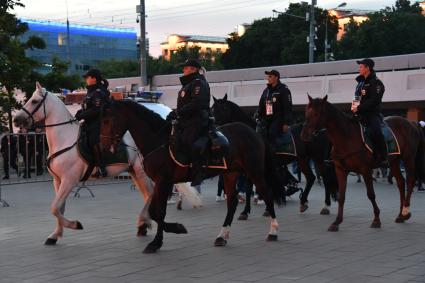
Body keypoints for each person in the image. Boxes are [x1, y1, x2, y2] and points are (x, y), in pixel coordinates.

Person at [167, 59, 211, 187]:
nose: (183, 70)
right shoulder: (188, 84)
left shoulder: (198, 83)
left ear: (194, 69)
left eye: (186, 68)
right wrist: (175, 113)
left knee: (189, 142)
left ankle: (198, 173)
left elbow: (197, 103)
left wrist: (179, 112)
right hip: (186, 120)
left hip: (197, 120)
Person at [75, 68, 110, 177]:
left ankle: (101, 166)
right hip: (89, 122)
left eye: (87, 77)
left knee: (93, 140)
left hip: (99, 122)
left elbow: (96, 109)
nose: (86, 79)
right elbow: (87, 107)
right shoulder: (91, 92)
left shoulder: (98, 92)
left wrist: (82, 115)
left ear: (94, 79)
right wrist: (79, 112)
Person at [351, 58, 387, 164]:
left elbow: (374, 100)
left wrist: (359, 108)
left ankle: (383, 156)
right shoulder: (360, 84)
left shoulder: (377, 83)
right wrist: (354, 109)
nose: (359, 69)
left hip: (372, 114)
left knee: (376, 131)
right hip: (359, 114)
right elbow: (356, 98)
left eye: (361, 66)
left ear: (368, 68)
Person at [257, 69, 293, 143]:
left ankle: (274, 152)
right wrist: (258, 116)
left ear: (276, 78)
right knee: (260, 132)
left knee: (272, 133)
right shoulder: (266, 91)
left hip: (279, 119)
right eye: (268, 77)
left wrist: (286, 123)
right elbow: (261, 105)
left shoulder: (283, 89)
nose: (268, 78)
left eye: (270, 76)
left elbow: (288, 107)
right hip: (267, 118)